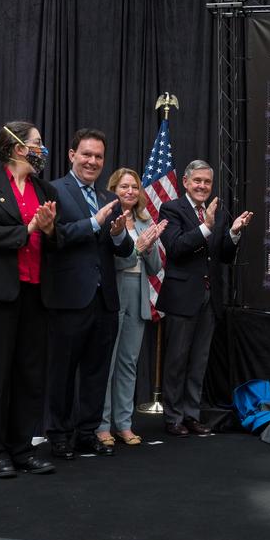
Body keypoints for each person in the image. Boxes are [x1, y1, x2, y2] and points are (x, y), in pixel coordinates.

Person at [0, 121, 58, 478]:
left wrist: (49, 231)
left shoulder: (44, 188)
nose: (42, 149)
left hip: (36, 293)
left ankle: (22, 449)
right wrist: (28, 229)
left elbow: (55, 242)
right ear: (19, 148)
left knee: (30, 376)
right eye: (37, 142)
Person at [41, 129, 134, 459]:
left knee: (97, 372)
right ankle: (59, 435)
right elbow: (53, 237)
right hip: (68, 298)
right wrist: (94, 223)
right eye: (86, 154)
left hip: (104, 300)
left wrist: (120, 235)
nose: (92, 161)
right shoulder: (53, 190)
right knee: (62, 372)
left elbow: (123, 250)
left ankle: (87, 433)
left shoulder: (110, 198)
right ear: (72, 155)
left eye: (98, 156)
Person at [157, 160, 253, 436]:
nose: (202, 186)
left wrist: (233, 232)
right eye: (197, 180)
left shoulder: (218, 213)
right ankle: (173, 418)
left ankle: (191, 415)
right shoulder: (171, 209)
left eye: (207, 182)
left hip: (210, 298)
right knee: (176, 360)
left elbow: (223, 256)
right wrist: (206, 227)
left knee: (199, 361)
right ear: (185, 182)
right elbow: (176, 247)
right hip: (182, 297)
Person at [97, 168, 167, 447]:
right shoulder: (107, 219)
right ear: (113, 189)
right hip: (113, 293)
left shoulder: (144, 220)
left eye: (134, 187)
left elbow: (156, 267)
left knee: (128, 363)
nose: (130, 191)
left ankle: (124, 425)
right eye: (124, 186)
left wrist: (148, 246)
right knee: (107, 363)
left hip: (138, 294)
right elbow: (112, 262)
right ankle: (102, 426)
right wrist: (137, 247)